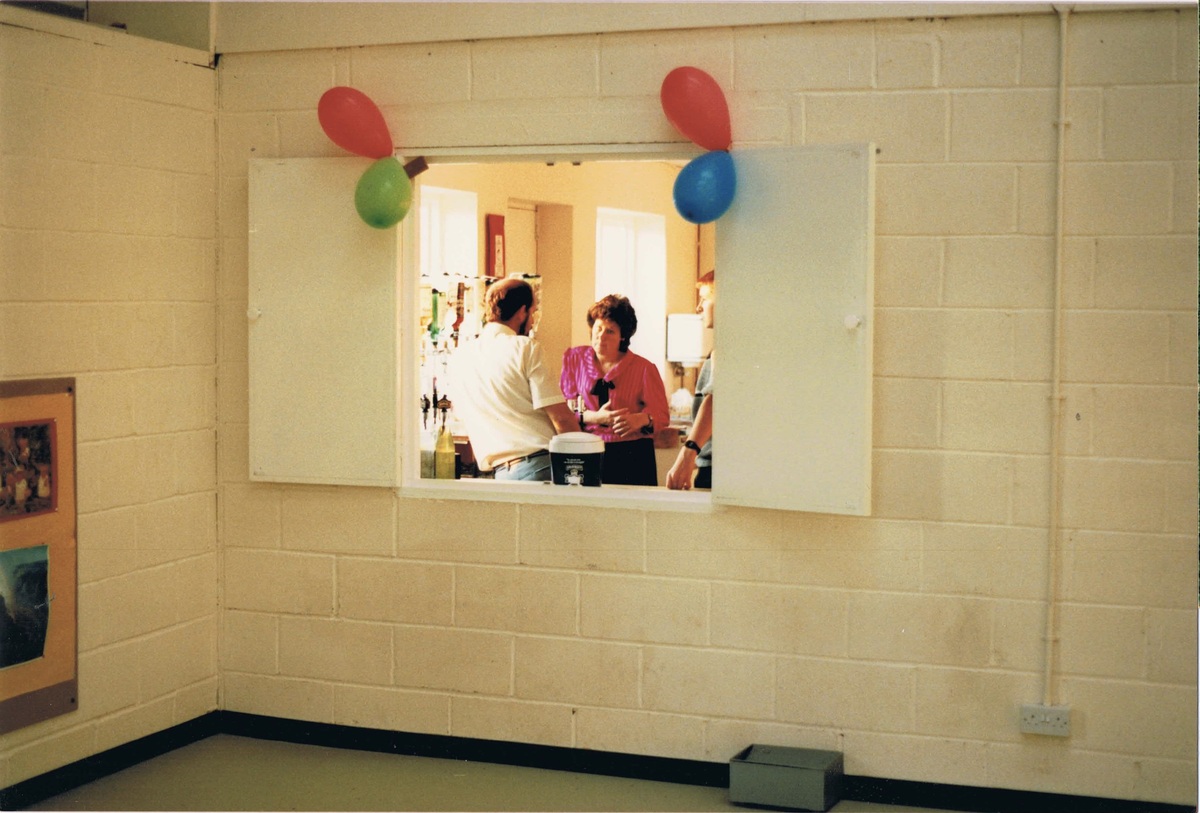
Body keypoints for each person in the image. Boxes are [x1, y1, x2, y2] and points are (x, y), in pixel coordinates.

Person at [447, 277, 577, 481]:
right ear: (522, 311)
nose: (532, 321)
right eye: (533, 313)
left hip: (500, 475)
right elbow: (561, 418)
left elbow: (461, 414)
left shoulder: (459, 357)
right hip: (540, 467)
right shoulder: (526, 348)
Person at [560, 295, 670, 486]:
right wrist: (594, 417)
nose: (601, 336)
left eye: (610, 331)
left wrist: (642, 419)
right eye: (598, 328)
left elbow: (661, 415)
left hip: (632, 454)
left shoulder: (644, 368)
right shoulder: (573, 359)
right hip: (586, 450)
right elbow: (563, 411)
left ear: (623, 336)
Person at [667, 270, 714, 490]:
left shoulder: (729, 349)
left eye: (704, 298)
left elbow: (716, 401)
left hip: (717, 469)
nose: (698, 307)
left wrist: (687, 456)